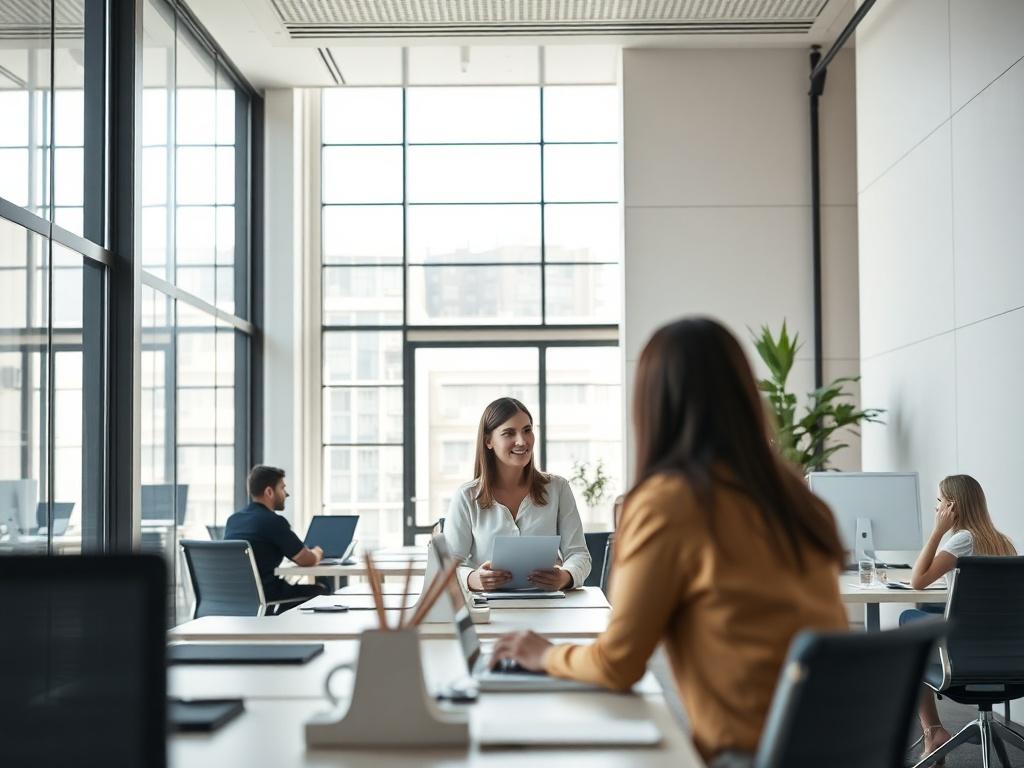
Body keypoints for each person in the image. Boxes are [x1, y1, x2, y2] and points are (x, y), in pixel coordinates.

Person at [489, 317, 848, 767]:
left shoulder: (669, 503)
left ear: (653, 403)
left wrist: (545, 653)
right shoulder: (794, 496)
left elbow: (618, 664)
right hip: (843, 745)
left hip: (753, 753)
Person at [901, 474, 1016, 759]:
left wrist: (937, 532)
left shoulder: (962, 541)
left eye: (940, 502)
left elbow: (918, 580)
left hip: (965, 656)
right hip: (1008, 657)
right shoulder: (1004, 544)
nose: (937, 508)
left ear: (952, 507)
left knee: (908, 627)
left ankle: (934, 731)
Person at [445, 397, 591, 592]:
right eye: (509, 433)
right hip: (487, 611)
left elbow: (579, 554)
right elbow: (447, 567)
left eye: (527, 430)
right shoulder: (467, 496)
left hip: (549, 609)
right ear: (489, 441)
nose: (522, 441)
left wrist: (565, 577)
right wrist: (473, 579)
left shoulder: (558, 488)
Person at [223, 465, 329, 611]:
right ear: (269, 492)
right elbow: (306, 560)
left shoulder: (233, 520)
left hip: (233, 597)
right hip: (265, 594)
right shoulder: (273, 521)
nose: (286, 494)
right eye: (282, 488)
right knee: (322, 590)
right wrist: (318, 552)